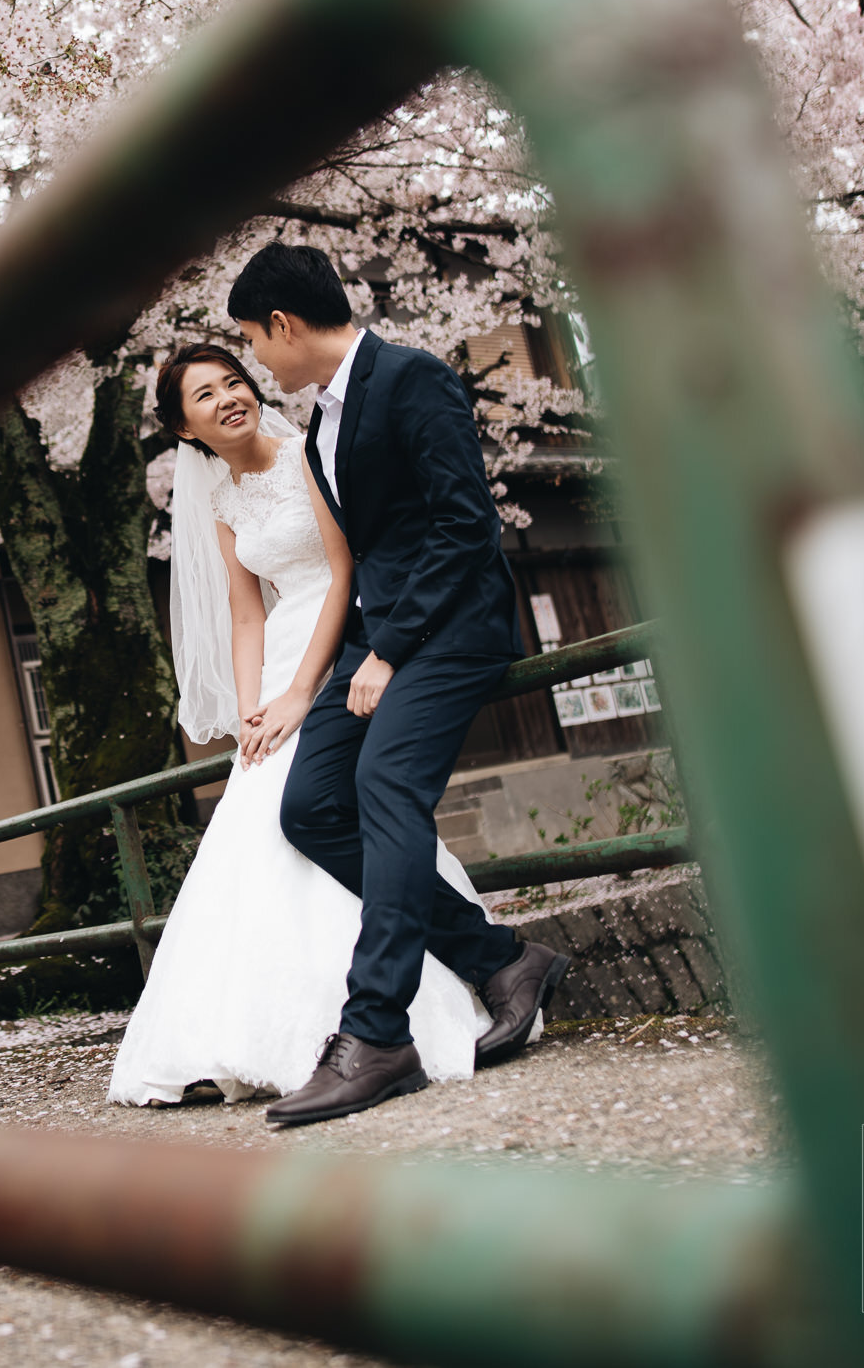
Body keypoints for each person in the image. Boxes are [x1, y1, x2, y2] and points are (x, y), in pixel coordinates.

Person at [231, 243, 571, 1127]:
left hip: (452, 629)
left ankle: (376, 1033)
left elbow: (466, 525)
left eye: (253, 341)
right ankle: (503, 959)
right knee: (310, 807)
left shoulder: (412, 378)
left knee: (385, 785)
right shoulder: (318, 426)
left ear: (284, 323)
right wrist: (322, 676)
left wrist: (392, 648)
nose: (257, 362)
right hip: (376, 642)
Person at [105, 342, 494, 1107]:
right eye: (205, 396)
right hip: (281, 660)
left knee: (340, 809)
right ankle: (248, 1034)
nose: (228, 398)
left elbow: (343, 573)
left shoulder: (307, 456)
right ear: (185, 431)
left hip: (342, 645)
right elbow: (247, 611)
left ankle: (390, 1011)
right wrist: (255, 706)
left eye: (233, 381)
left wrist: (301, 692)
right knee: (264, 818)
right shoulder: (221, 504)